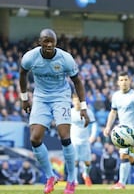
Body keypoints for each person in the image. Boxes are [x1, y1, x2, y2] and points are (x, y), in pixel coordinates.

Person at [19, 28, 89, 194]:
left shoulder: (65, 59)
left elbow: (77, 82)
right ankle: (50, 176)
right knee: (35, 139)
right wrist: (24, 98)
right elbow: (22, 74)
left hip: (61, 97)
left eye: (52, 41)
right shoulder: (30, 57)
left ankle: (72, 179)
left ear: (56, 43)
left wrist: (83, 107)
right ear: (40, 42)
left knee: (64, 137)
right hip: (41, 98)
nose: (49, 44)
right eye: (46, 41)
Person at [70, 93, 98, 186]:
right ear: (72, 101)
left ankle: (85, 174)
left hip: (85, 140)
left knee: (87, 162)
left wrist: (93, 135)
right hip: (74, 140)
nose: (77, 102)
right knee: (75, 161)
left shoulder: (88, 112)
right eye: (75, 100)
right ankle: (75, 181)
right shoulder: (70, 112)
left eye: (79, 100)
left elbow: (94, 124)